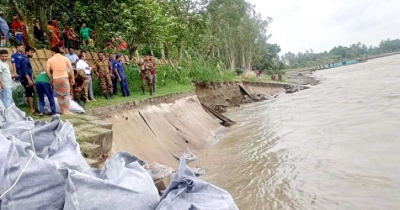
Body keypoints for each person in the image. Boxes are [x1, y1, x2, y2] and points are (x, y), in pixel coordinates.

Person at [46, 46, 74, 115]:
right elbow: (71, 69)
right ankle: (67, 110)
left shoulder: (50, 60)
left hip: (56, 79)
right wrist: (73, 78)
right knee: (66, 95)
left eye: (51, 52)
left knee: (59, 96)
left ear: (54, 52)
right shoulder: (65, 58)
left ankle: (63, 111)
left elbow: (47, 71)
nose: (51, 53)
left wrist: (51, 78)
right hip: (64, 78)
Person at [20, 46, 36, 114]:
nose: (32, 54)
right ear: (26, 52)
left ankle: (32, 108)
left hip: (28, 78)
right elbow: (24, 70)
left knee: (30, 92)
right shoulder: (25, 59)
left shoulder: (27, 59)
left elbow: (29, 71)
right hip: (25, 79)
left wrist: (32, 79)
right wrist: (29, 79)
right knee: (30, 93)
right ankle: (32, 109)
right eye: (31, 52)